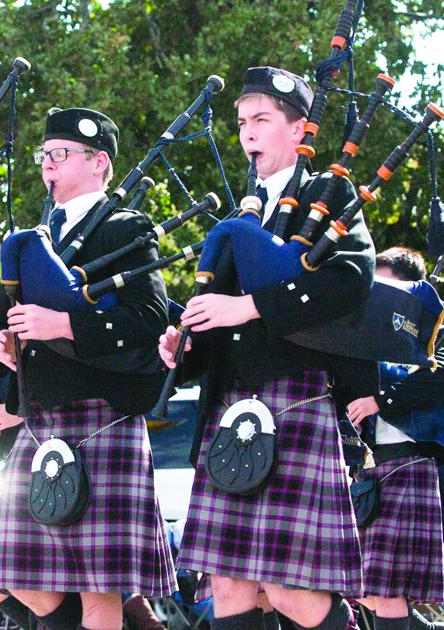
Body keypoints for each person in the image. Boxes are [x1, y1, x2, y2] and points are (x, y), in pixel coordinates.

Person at [159, 66, 375, 630]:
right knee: (228, 585)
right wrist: (183, 346)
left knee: (289, 591)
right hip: (230, 407)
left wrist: (251, 307)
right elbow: (216, 321)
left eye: (261, 120)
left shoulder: (331, 194)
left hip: (295, 398)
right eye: (241, 123)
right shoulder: (242, 213)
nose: (248, 133)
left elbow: (352, 278)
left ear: (300, 129)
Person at [0, 107, 176, 630]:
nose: (47, 166)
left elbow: (149, 318)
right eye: (44, 156)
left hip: (102, 417)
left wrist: (62, 325)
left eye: (59, 155)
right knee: (0, 570)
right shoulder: (32, 239)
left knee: (98, 587)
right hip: (40, 422)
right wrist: (7, 350)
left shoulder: (124, 228)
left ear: (99, 162)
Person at [346, 247, 444, 630]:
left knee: (387, 590)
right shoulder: (369, 335)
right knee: (365, 585)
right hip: (375, 469)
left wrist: (380, 400)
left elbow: (439, 376)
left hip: (413, 464)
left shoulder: (434, 329)